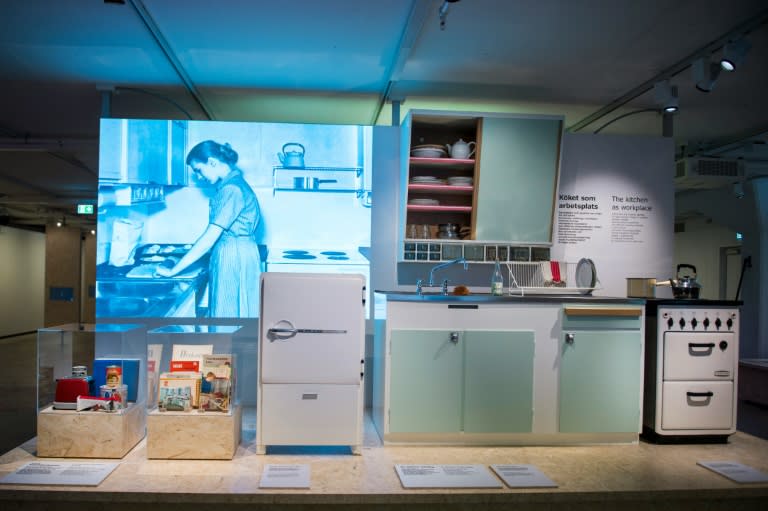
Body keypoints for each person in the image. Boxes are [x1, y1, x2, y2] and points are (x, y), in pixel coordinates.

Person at [155, 140, 262, 317]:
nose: (198, 176)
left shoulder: (231, 189)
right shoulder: (234, 184)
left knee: (227, 315)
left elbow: (210, 236)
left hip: (233, 256)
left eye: (198, 170)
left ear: (212, 162)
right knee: (239, 311)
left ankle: (226, 345)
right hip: (240, 252)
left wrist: (174, 270)